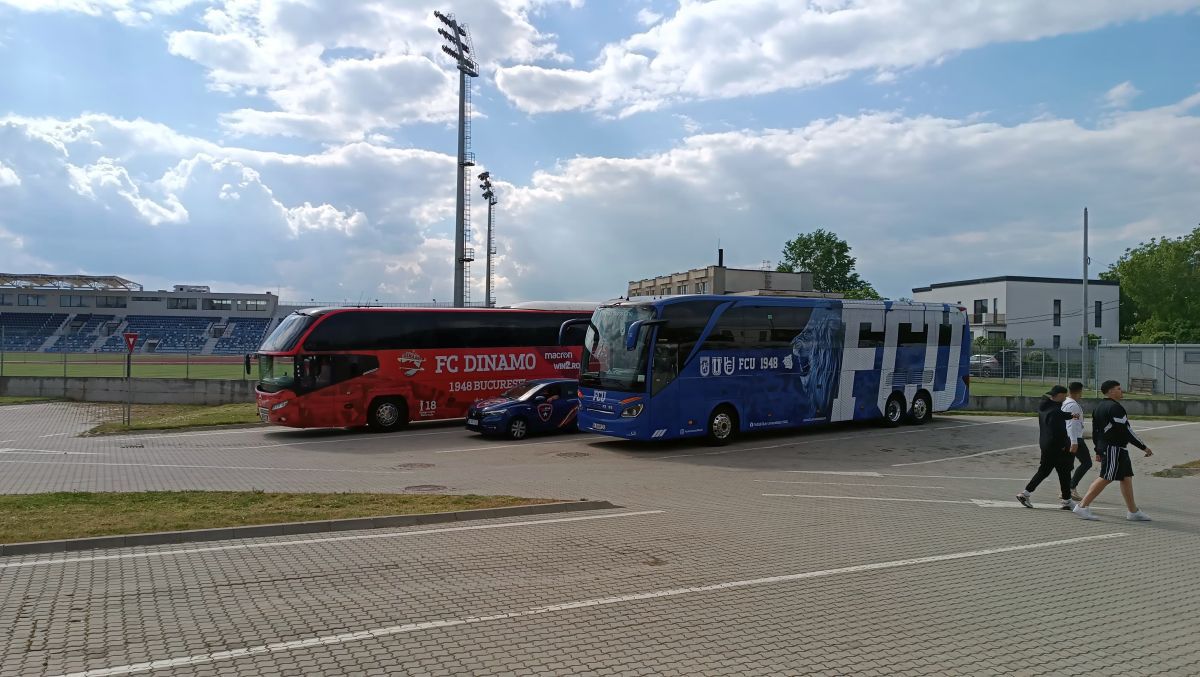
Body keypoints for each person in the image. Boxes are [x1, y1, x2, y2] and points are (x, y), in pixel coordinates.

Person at [1073, 380, 1153, 521]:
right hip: (1113, 448)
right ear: (1110, 392)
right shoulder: (1115, 408)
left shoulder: (1099, 407)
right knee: (1106, 476)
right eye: (1118, 388)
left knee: (1126, 477)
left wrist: (1098, 449)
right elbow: (1126, 431)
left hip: (1115, 448)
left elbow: (1096, 432)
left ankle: (1133, 512)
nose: (1121, 391)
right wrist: (1144, 447)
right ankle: (1082, 507)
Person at [1016, 385, 1079, 510]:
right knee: (1064, 472)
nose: (1066, 397)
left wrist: (1071, 415)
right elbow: (1058, 429)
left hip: (1046, 445)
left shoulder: (1045, 407)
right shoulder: (1055, 411)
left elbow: (1059, 414)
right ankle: (1066, 500)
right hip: (1057, 446)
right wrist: (1063, 446)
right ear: (1060, 395)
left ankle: (1025, 493)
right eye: (1064, 395)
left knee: (1044, 471)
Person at [1062, 381, 1096, 501]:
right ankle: (1070, 488)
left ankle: (1067, 489)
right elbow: (1072, 423)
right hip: (1075, 438)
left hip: (1070, 437)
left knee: (1068, 464)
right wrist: (1074, 441)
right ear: (1079, 391)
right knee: (1086, 463)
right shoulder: (1073, 405)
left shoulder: (1066, 402)